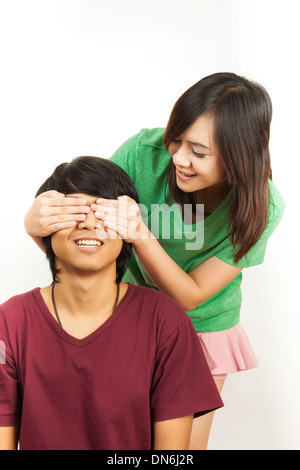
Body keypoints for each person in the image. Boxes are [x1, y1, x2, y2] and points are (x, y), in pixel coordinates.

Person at [24, 72, 285, 450]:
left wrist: (140, 234)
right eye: (175, 139)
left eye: (198, 152)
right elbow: (84, 243)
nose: (179, 158)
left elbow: (191, 296)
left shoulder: (264, 205)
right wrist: (36, 227)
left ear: (239, 155)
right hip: (129, 313)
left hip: (203, 327)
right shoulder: (142, 154)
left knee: (183, 447)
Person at [0, 157, 223, 451]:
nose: (91, 223)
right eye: (75, 211)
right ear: (44, 225)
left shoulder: (166, 323)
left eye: (105, 212)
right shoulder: (9, 322)